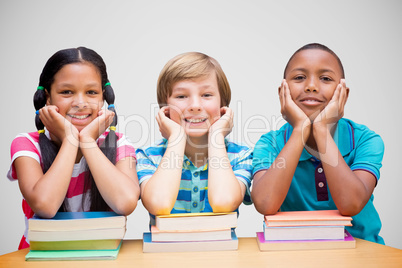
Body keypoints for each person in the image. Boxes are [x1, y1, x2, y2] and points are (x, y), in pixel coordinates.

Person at [7, 47, 140, 249]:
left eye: (91, 92)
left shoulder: (119, 143)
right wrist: (70, 139)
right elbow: (46, 205)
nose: (80, 102)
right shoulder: (27, 144)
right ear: (47, 98)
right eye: (66, 92)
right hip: (39, 259)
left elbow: (126, 202)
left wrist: (87, 141)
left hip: (102, 257)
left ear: (103, 99)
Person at [251, 43, 384, 244]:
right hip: (293, 254)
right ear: (282, 92)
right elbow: (265, 203)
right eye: (299, 78)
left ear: (344, 94)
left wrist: (321, 130)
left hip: (361, 254)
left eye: (325, 78)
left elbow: (351, 204)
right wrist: (299, 131)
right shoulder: (270, 143)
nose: (311, 86)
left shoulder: (365, 140)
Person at [136, 52, 253, 225]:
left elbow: (224, 202)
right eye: (181, 96)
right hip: (165, 252)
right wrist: (176, 137)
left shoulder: (241, 155)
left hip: (221, 251)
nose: (196, 106)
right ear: (165, 108)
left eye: (206, 95)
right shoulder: (148, 156)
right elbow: (159, 204)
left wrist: (216, 137)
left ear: (223, 105)